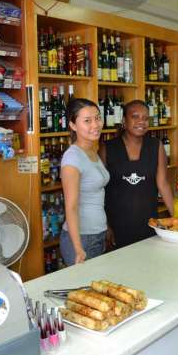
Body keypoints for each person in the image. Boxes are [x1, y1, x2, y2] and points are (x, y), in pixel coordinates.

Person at [99, 99, 173, 249]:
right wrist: (105, 225)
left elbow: (163, 184)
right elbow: (98, 191)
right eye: (135, 116)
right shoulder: (107, 148)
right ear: (124, 121)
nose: (141, 121)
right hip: (117, 225)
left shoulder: (155, 146)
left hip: (149, 224)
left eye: (145, 118)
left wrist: (177, 218)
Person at [60, 98, 110, 265]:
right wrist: (78, 248)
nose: (95, 125)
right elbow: (71, 207)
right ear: (73, 125)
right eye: (87, 121)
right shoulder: (73, 158)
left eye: (97, 118)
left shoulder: (92, 150)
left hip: (97, 234)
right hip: (82, 239)